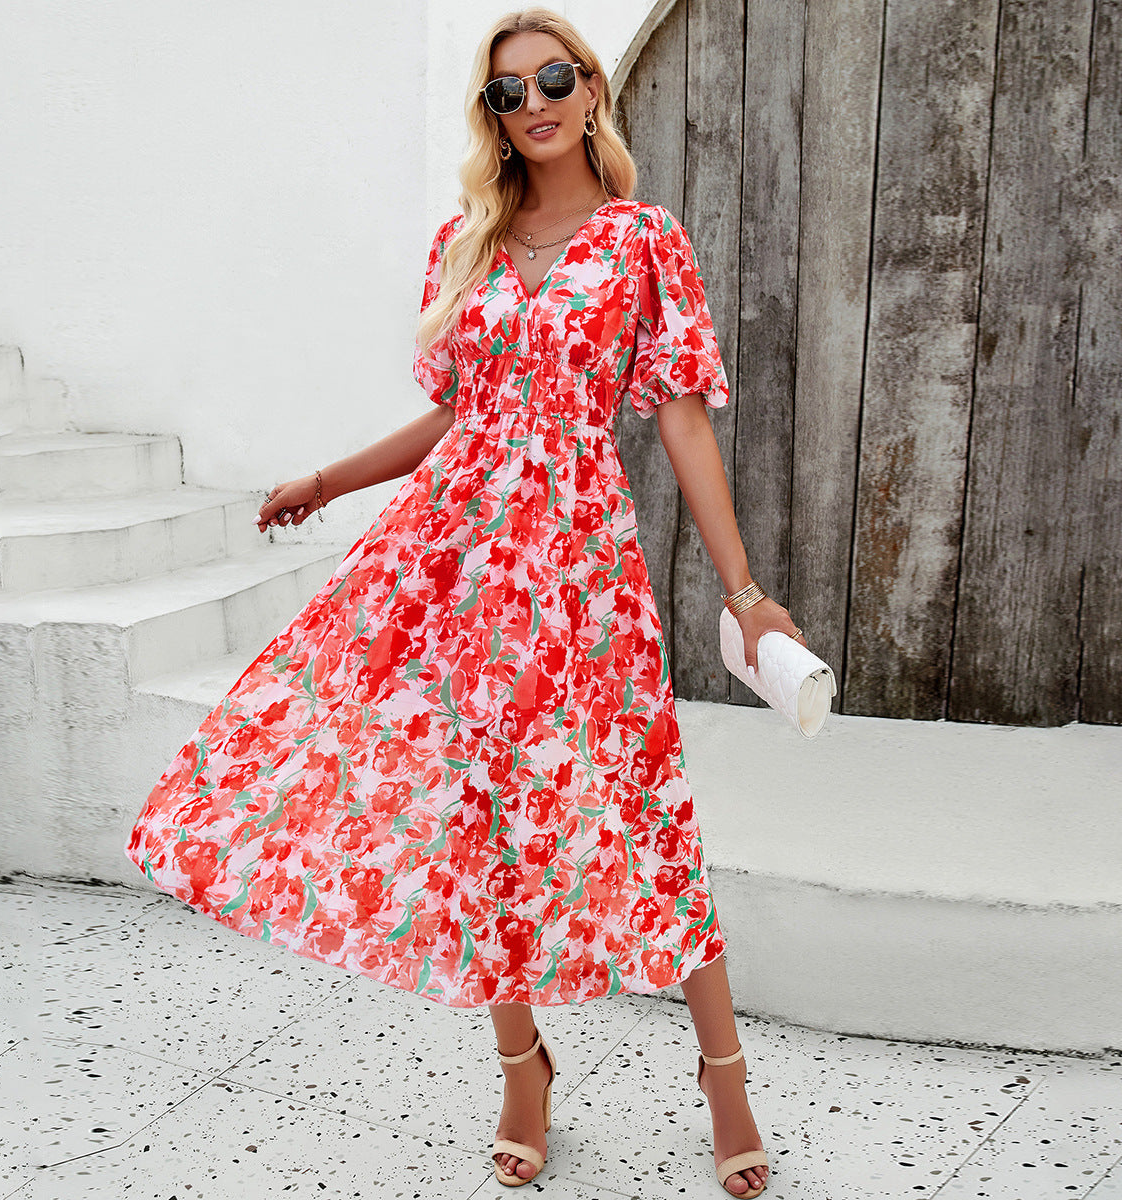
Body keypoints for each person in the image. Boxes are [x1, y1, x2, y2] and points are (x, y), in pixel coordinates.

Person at [127, 7, 804, 1195]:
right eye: (508, 93)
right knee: (478, 816)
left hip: (583, 571)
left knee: (641, 805)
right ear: (493, 119)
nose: (534, 102)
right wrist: (330, 478)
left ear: (591, 89)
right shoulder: (470, 240)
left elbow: (683, 420)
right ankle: (522, 1065)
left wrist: (746, 595)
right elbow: (460, 413)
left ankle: (724, 1075)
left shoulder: (643, 240)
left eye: (553, 79)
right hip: (458, 561)